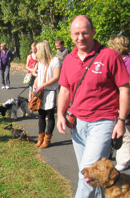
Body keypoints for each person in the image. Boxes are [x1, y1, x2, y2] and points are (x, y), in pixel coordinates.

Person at [56, 15, 130, 197]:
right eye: (76, 34)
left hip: (103, 122)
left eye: (84, 33)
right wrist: (59, 114)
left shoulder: (110, 56)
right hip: (77, 123)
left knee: (86, 179)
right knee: (89, 174)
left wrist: (121, 121)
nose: (80, 38)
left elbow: (124, 89)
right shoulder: (69, 59)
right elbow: (64, 91)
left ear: (93, 32)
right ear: (71, 35)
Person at [33, 40, 61, 148]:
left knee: (50, 116)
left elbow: (56, 77)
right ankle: (40, 138)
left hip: (50, 92)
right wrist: (36, 84)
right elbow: (39, 75)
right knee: (41, 115)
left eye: (37, 50)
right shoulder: (41, 61)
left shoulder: (55, 61)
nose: (36, 52)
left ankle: (47, 139)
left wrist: (43, 85)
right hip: (41, 91)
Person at [108, 35, 130, 171]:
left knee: (125, 129)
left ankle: (123, 160)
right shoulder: (117, 61)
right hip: (115, 99)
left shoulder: (127, 62)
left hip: (126, 100)